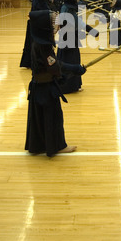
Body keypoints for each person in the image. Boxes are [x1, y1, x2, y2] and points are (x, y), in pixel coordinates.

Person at [25, 10, 86, 157]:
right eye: (52, 23)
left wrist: (66, 74)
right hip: (45, 89)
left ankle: (39, 145)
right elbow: (55, 65)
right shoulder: (44, 47)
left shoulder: (38, 41)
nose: (56, 27)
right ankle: (57, 146)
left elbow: (52, 66)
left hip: (40, 86)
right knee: (54, 117)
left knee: (41, 118)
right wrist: (75, 69)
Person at [56, 0, 98, 94]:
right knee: (69, 61)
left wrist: (90, 30)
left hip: (71, 38)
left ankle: (74, 85)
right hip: (67, 41)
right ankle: (67, 86)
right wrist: (88, 31)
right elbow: (70, 24)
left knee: (74, 60)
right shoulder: (66, 8)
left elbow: (77, 20)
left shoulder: (68, 7)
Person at [20, 0, 50, 68]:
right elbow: (40, 13)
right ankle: (37, 62)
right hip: (38, 26)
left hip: (36, 25)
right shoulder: (40, 0)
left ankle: (34, 62)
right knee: (37, 45)